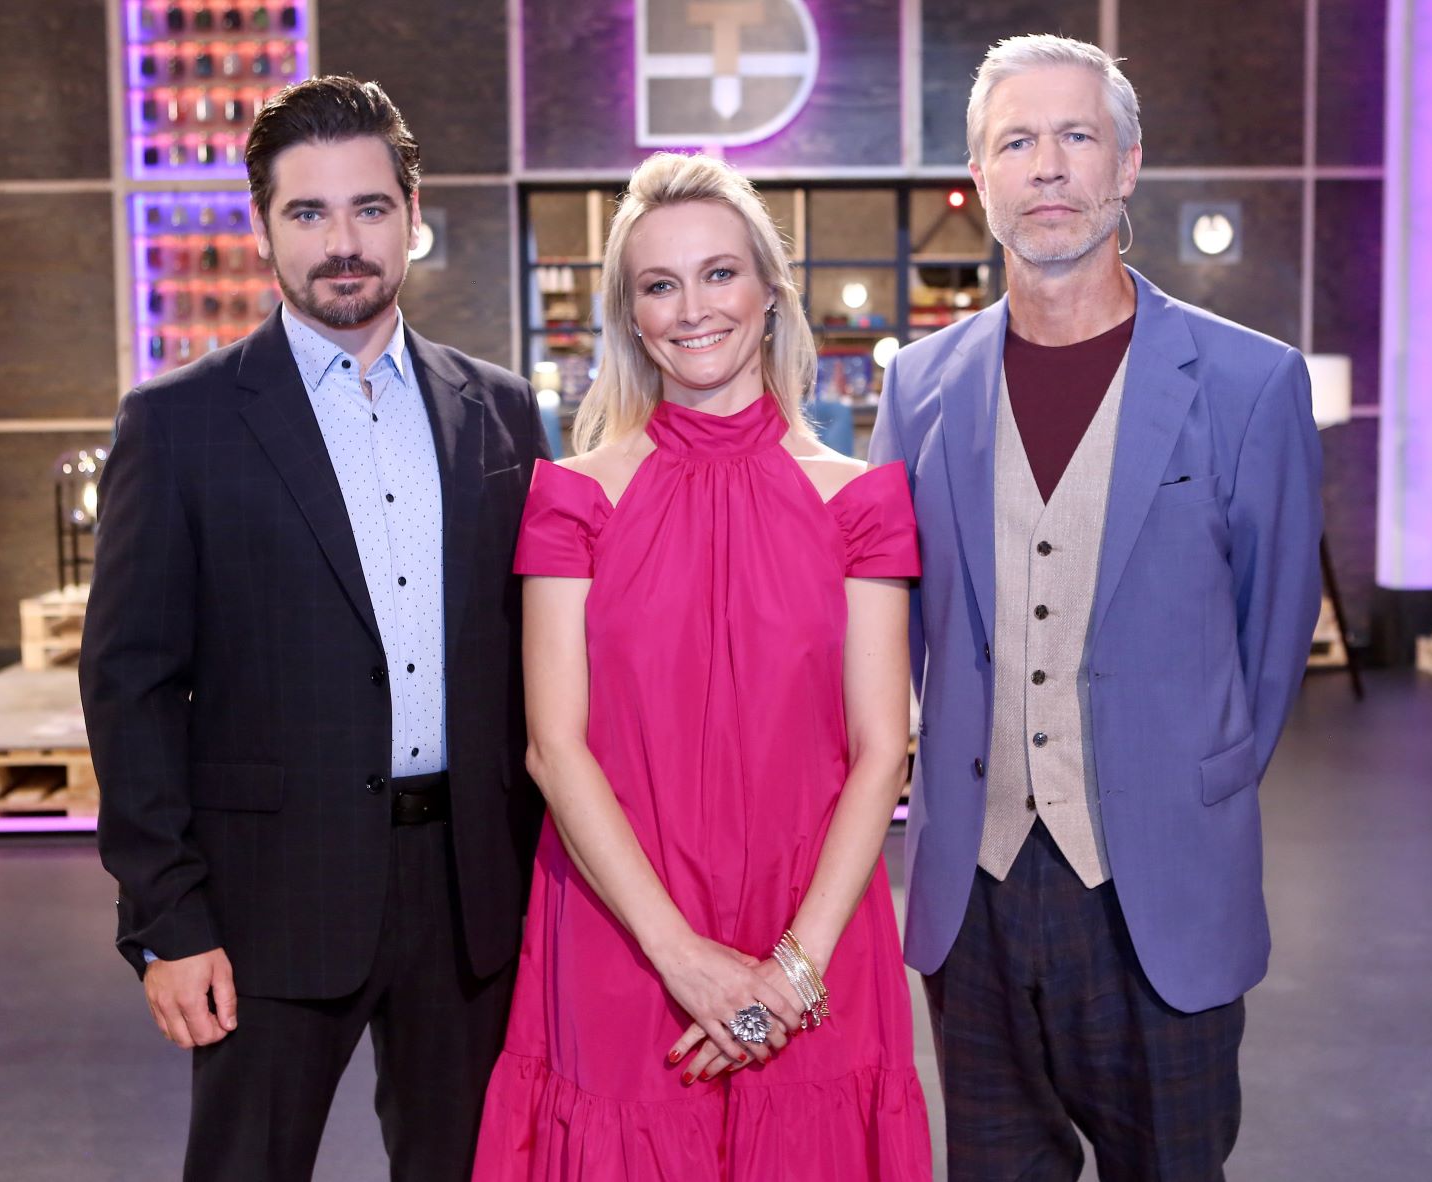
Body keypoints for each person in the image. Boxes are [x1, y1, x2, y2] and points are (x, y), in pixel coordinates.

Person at [869, 34, 1323, 1181]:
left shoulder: (1249, 383)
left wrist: (1181, 790)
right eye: (1016, 141)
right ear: (978, 180)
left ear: (1126, 165)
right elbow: (904, 628)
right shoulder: (916, 388)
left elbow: (1269, 645)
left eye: (1076, 135)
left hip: (1160, 887)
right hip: (972, 894)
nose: (1048, 165)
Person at [79, 76, 547, 1182]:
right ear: (262, 229)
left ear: (411, 216)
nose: (343, 242)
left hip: (472, 896)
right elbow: (131, 686)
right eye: (308, 212)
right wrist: (168, 917)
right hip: (265, 898)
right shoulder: (177, 424)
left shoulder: (500, 409)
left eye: (369, 208)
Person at [472, 152, 932, 1180]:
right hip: (622, 929)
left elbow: (881, 751)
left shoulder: (860, 500)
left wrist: (789, 978)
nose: (692, 309)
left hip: (810, 926)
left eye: (719, 273)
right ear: (631, 318)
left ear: (769, 291)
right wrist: (682, 960)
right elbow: (555, 750)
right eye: (659, 285)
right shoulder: (571, 499)